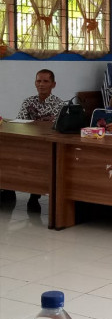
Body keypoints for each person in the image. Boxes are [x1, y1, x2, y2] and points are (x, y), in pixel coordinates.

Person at [13, 69, 65, 212]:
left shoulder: (59, 104)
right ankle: (8, 188)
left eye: (45, 81)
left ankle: (34, 195)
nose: (41, 84)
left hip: (47, 144)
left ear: (53, 84)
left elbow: (54, 128)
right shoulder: (28, 102)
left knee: (39, 161)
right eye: (38, 81)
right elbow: (20, 122)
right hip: (29, 142)